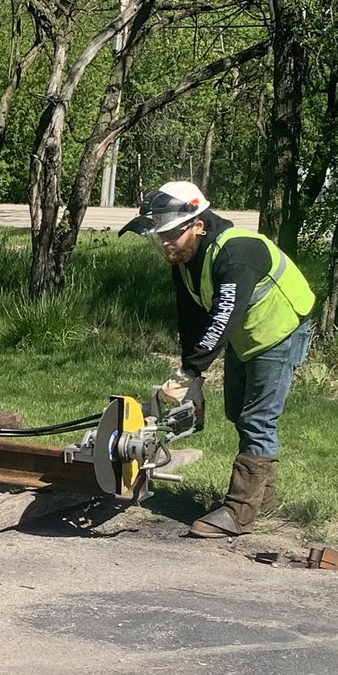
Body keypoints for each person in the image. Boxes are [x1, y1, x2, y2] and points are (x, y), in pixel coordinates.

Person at [118, 180, 315, 538]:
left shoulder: (236, 252)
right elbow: (191, 318)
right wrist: (191, 375)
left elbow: (223, 317)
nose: (165, 244)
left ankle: (239, 514)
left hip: (280, 330)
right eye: (159, 237)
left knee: (257, 419)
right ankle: (264, 497)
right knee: (237, 411)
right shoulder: (185, 258)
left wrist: (189, 371)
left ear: (197, 224)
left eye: (171, 235)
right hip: (246, 332)